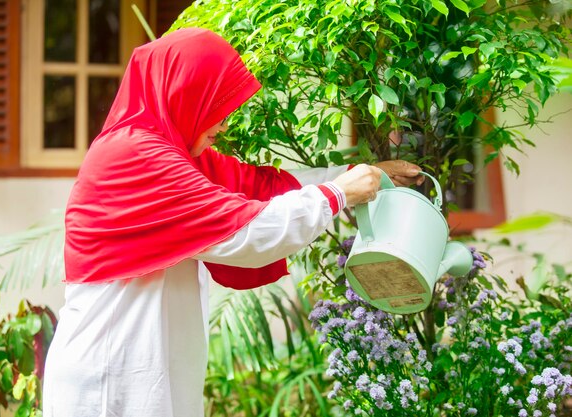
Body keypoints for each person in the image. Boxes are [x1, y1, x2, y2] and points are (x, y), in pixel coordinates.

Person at [42, 28, 423, 417]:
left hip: (147, 372)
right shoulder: (135, 155)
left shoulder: (173, 151)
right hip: (109, 381)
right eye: (216, 107)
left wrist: (362, 174)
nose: (223, 125)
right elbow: (245, 231)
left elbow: (262, 189)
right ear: (184, 93)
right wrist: (340, 193)